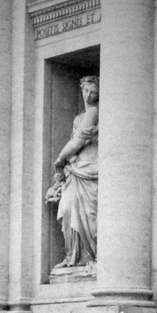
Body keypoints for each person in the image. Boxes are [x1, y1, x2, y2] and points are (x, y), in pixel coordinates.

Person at [46, 75, 99, 267]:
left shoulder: (94, 112)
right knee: (68, 209)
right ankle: (72, 257)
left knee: (90, 215)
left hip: (90, 168)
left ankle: (91, 256)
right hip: (75, 170)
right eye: (85, 90)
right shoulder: (78, 117)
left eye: (92, 91)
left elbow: (78, 141)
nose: (87, 95)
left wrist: (60, 158)